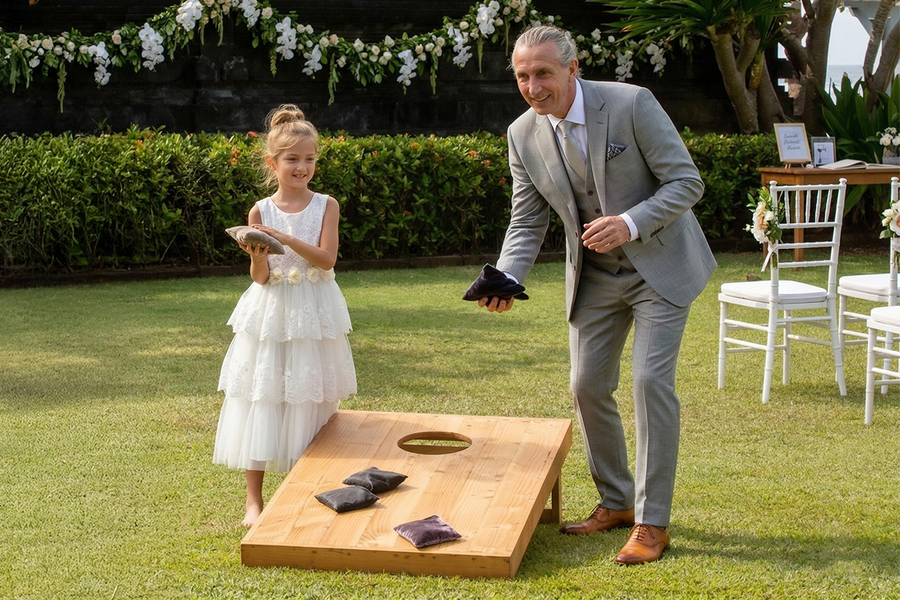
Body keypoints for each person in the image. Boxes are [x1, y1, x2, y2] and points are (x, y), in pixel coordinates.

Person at [475, 25, 716, 565]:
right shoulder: (521, 134)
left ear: (572, 69)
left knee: (650, 381)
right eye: (522, 76)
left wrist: (630, 223)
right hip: (596, 278)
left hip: (661, 265)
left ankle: (652, 523)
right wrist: (508, 277)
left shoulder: (632, 104)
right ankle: (617, 502)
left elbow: (686, 183)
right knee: (586, 386)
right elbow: (527, 218)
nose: (533, 87)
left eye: (542, 73)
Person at [213, 104, 357, 527]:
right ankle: (253, 502)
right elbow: (260, 278)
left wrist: (286, 237)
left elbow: (327, 260)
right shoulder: (260, 211)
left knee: (313, 398)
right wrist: (258, 253)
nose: (302, 167)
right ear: (272, 163)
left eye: (309, 159)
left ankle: (313, 488)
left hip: (314, 310)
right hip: (272, 313)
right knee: (263, 396)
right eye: (292, 159)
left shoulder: (326, 205)